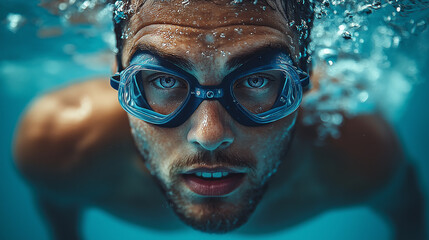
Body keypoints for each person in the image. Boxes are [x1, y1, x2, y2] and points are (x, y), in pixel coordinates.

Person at [13, 0, 426, 239]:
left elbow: (410, 218)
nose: (209, 135)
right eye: (161, 80)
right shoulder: (57, 143)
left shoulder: (363, 155)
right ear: (118, 74)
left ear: (306, 77)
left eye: (259, 80)